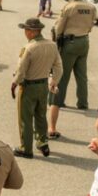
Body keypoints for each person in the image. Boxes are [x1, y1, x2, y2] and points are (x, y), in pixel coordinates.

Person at [47, 0, 98, 138]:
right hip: (84, 40)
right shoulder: (90, 6)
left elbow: (59, 26)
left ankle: (57, 101)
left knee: (62, 74)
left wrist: (56, 40)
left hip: (70, 42)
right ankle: (83, 101)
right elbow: (92, 23)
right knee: (81, 74)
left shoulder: (69, 7)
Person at [12, 18, 62, 159]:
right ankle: (42, 142)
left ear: (33, 32)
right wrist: (54, 82)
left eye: (27, 30)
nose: (25, 32)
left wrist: (15, 82)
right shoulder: (52, 45)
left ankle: (26, 149)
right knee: (40, 115)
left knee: (25, 119)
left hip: (28, 87)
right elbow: (58, 66)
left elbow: (21, 70)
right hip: (43, 85)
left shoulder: (29, 48)